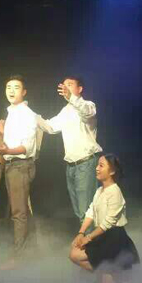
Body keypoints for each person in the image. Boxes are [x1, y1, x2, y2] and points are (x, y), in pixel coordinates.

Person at [37, 76, 102, 222]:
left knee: (86, 208)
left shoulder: (88, 105)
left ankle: (89, 237)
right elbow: (50, 127)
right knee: (78, 208)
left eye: (70, 85)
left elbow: (86, 112)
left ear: (80, 89)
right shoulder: (66, 110)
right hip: (71, 166)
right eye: (64, 85)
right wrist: (32, 116)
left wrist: (71, 97)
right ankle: (86, 235)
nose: (66, 88)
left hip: (86, 162)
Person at [69, 154, 140, 283]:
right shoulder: (99, 191)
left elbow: (108, 222)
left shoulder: (115, 192)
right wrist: (81, 233)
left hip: (114, 238)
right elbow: (91, 212)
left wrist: (88, 238)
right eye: (97, 165)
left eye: (101, 166)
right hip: (102, 236)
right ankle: (105, 276)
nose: (97, 168)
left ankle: (112, 279)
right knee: (74, 254)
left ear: (112, 171)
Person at [0, 74, 38, 270]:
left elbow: (27, 146)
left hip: (20, 165)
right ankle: (31, 251)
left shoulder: (27, 114)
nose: (11, 90)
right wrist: (4, 133)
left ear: (24, 92)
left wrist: (7, 150)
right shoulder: (12, 112)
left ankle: (19, 258)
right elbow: (15, 140)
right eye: (8, 87)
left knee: (18, 213)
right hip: (13, 165)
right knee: (20, 211)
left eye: (16, 87)